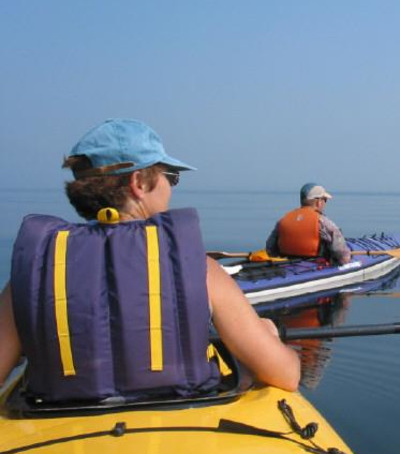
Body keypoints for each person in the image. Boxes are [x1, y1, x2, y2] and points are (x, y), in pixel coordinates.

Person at [0, 119, 300, 399]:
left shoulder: (34, 275)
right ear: (139, 183)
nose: (171, 187)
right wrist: (272, 337)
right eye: (171, 176)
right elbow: (286, 375)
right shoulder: (198, 269)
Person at [265, 183, 352, 266]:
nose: (325, 203)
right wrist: (346, 259)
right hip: (314, 265)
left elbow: (270, 248)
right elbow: (341, 253)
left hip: (285, 264)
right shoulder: (323, 222)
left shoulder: (283, 220)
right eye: (325, 200)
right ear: (319, 202)